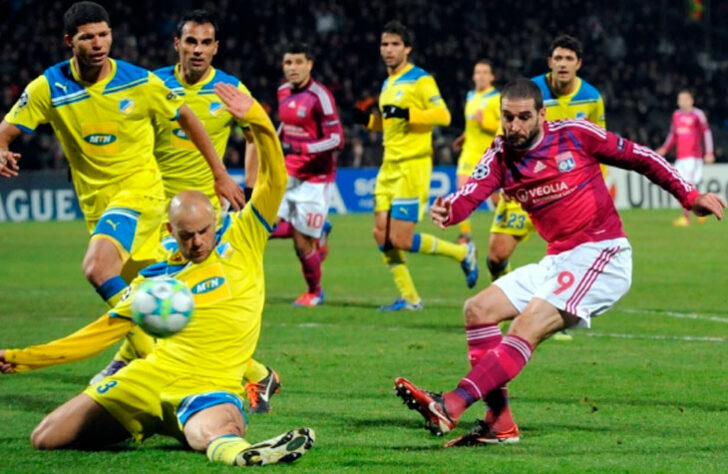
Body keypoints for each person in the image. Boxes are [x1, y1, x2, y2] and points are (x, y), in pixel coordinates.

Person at [394, 78, 724, 447]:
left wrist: (689, 194)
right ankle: (499, 423)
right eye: (507, 117)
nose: (514, 126)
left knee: (526, 325)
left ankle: (451, 404)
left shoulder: (574, 134)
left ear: (541, 115)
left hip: (603, 252)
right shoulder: (501, 153)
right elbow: (471, 192)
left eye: (522, 117)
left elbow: (641, 158)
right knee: (478, 309)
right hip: (559, 258)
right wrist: (449, 209)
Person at [0, 86, 315, 467]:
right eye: (187, 235)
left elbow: (274, 180)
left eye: (204, 231)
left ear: (215, 221)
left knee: (211, 432)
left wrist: (259, 120)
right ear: (170, 231)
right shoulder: (155, 279)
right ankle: (146, 423)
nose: (198, 242)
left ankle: (241, 454)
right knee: (45, 437)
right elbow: (98, 333)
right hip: (150, 378)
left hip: (209, 384)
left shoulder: (244, 239)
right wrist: (21, 358)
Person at [0, 2, 244, 364]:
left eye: (103, 34)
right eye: (87, 37)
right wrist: (2, 147)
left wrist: (220, 175)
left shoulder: (140, 81)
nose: (98, 43)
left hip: (140, 194)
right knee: (137, 293)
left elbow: (188, 117)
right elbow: (7, 129)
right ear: (70, 41)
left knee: (98, 269)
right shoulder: (49, 87)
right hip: (97, 205)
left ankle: (160, 360)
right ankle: (247, 371)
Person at [90, 9, 280, 414]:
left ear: (215, 47)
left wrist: (245, 185)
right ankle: (259, 374)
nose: (198, 50)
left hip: (200, 220)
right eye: (190, 42)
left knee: (155, 296)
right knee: (144, 293)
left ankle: (126, 361)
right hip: (153, 208)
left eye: (205, 43)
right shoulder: (153, 84)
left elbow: (256, 135)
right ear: (176, 44)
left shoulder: (229, 88)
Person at [353, 21, 478, 311]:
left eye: (395, 44)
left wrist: (408, 112)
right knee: (379, 233)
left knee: (401, 238)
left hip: (413, 166)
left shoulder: (420, 79)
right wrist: (369, 122)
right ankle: (410, 298)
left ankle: (462, 252)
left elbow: (443, 115)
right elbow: (391, 124)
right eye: (385, 44)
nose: (389, 50)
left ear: (407, 48)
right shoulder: (388, 84)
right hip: (389, 166)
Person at [486, 35, 606, 283]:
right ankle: (512, 303)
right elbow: (505, 135)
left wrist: (598, 187)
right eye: (559, 58)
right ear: (549, 61)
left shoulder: (592, 98)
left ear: (578, 64)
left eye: (569, 59)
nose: (563, 64)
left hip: (567, 192)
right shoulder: (529, 92)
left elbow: (600, 147)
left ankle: (549, 313)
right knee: (496, 256)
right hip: (525, 186)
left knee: (570, 260)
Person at [267, 42, 343, 307]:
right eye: (288, 62)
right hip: (288, 174)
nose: (293, 68)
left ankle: (315, 292)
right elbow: (285, 127)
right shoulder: (282, 92)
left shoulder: (320, 96)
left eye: (299, 62)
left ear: (310, 64)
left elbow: (336, 139)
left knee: (301, 244)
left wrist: (299, 147)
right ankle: (318, 229)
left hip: (316, 179)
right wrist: (273, 147)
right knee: (264, 227)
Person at [451, 60, 501, 243]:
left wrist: (485, 123)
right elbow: (471, 125)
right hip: (469, 153)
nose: (480, 75)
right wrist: (464, 136)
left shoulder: (497, 98)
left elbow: (503, 126)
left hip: (489, 156)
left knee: (496, 202)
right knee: (462, 190)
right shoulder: (470, 96)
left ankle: (504, 229)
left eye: (484, 72)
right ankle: (466, 235)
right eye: (477, 72)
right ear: (473, 76)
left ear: (492, 76)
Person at [656, 89, 715, 226]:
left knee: (689, 185)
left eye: (683, 99)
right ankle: (696, 214)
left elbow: (706, 133)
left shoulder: (697, 115)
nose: (680, 101)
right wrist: (665, 148)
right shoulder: (676, 115)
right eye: (679, 99)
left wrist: (709, 152)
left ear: (691, 101)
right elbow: (673, 134)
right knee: (679, 186)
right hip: (680, 157)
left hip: (693, 157)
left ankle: (690, 216)